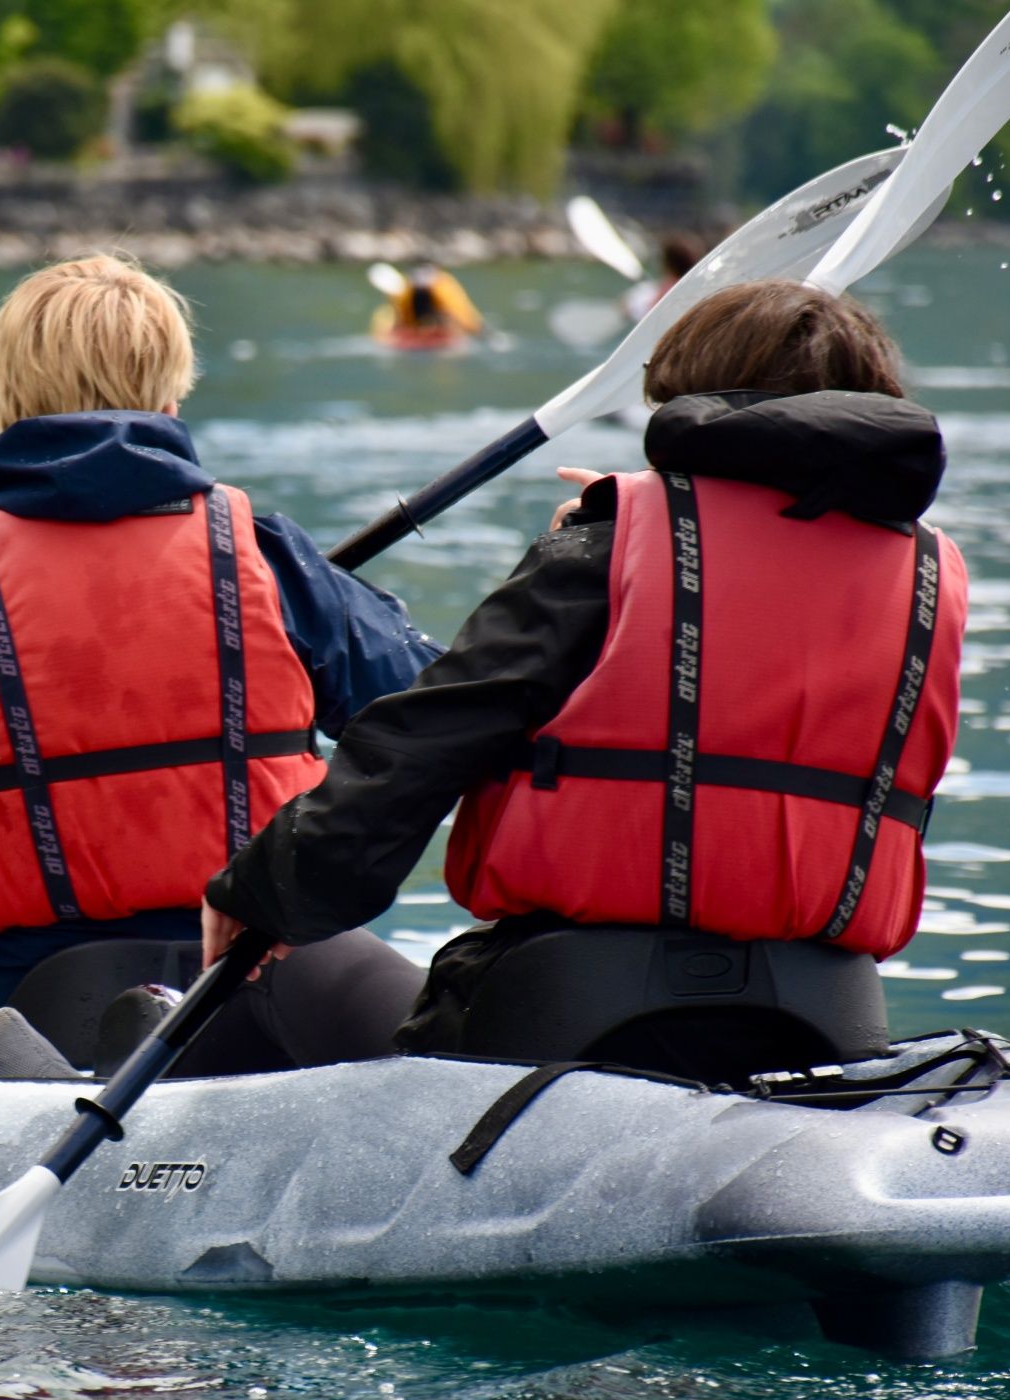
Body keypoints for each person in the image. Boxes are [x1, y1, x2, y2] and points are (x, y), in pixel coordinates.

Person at [203, 278, 968, 1065]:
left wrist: (266, 893)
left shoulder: (607, 548)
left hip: (581, 1005)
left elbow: (422, 744)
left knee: (318, 1002)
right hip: (827, 1011)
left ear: (687, 400)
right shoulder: (929, 574)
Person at [0, 254, 440, 1067]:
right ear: (171, 399)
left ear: (2, 403)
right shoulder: (269, 559)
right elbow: (440, 720)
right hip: (258, 984)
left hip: (5, 1001)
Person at [375, 263, 484, 343]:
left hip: (442, 325)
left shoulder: (442, 287)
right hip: (421, 327)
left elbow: (461, 314)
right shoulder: (406, 293)